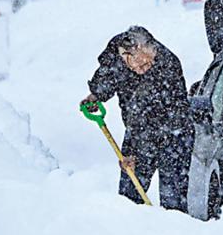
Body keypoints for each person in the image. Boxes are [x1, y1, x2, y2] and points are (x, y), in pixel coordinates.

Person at [82, 26, 194, 212]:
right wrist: (95, 96)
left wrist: (135, 152)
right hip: (138, 131)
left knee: (174, 198)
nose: (144, 69)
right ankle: (128, 230)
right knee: (128, 197)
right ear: (126, 56)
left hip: (173, 134)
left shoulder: (167, 65)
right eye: (140, 65)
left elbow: (159, 114)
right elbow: (108, 77)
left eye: (149, 64)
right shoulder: (115, 56)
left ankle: (173, 231)